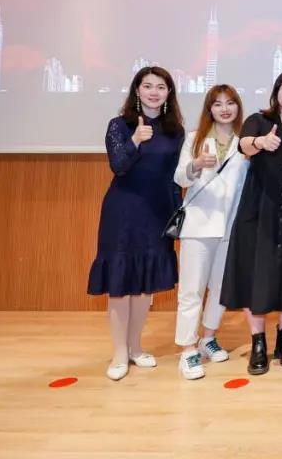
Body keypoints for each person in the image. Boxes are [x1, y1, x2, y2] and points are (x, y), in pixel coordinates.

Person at [87, 66, 184, 381]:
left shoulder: (175, 130)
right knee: (120, 284)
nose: (154, 92)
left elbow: (175, 178)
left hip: (158, 212)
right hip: (124, 211)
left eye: (161, 87)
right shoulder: (120, 125)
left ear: (169, 93)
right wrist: (134, 140)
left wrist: (177, 214)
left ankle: (135, 347)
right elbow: (118, 165)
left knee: (144, 284)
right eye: (148, 86)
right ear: (137, 90)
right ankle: (119, 353)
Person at [220, 69, 282, 375]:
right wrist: (260, 142)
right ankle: (258, 343)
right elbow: (244, 145)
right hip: (259, 210)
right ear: (276, 91)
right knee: (255, 274)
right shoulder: (259, 120)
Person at [172, 84, 249, 380]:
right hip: (198, 226)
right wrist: (195, 164)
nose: (225, 109)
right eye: (218, 104)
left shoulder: (244, 144)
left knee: (219, 289)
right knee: (191, 290)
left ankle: (208, 337)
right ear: (209, 109)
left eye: (230, 103)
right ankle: (188, 349)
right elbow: (180, 178)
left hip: (229, 227)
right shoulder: (194, 139)